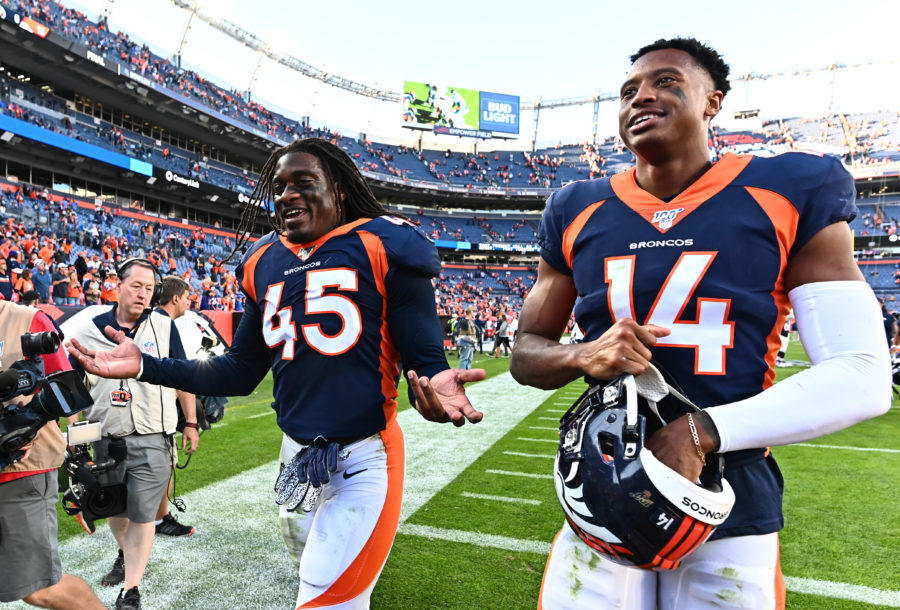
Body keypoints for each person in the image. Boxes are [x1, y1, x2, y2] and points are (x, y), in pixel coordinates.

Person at [509, 37, 891, 610]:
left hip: (730, 492)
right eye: (629, 91)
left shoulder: (787, 188)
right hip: (604, 487)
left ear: (713, 102)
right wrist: (580, 355)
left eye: (666, 82)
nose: (643, 97)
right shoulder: (574, 205)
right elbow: (525, 355)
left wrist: (700, 431)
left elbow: (862, 375)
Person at [66, 137, 485, 609]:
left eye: (305, 182)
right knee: (307, 561)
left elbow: (424, 356)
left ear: (339, 190)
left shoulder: (383, 243)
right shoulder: (264, 260)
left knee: (323, 593)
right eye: (281, 186)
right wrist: (146, 365)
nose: (288, 195)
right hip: (296, 455)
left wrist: (434, 380)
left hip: (365, 453)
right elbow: (241, 370)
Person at [61, 259, 200, 610]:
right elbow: (72, 387)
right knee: (115, 511)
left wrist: (191, 422)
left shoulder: (163, 325)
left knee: (142, 513)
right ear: (117, 285)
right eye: (136, 286)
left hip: (154, 433)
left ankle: (131, 590)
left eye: (149, 289)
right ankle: (126, 554)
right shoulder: (88, 326)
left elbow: (182, 375)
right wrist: (73, 436)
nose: (142, 294)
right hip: (105, 435)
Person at [0, 300, 105, 609]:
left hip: (22, 472)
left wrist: (78, 453)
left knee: (40, 586)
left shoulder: (28, 319)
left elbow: (67, 391)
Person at [151, 275, 197, 538]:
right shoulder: (165, 324)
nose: (189, 303)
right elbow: (182, 376)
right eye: (187, 297)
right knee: (164, 465)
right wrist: (190, 421)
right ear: (176, 297)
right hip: (156, 414)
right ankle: (159, 519)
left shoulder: (145, 320)